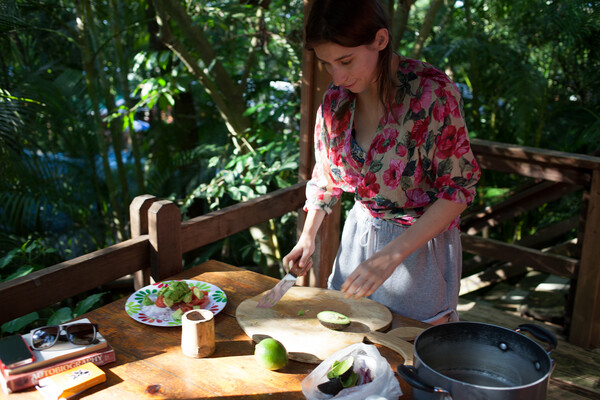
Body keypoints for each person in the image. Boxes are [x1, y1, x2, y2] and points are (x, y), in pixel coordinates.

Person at [283, 0, 481, 324]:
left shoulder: (431, 94)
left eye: (345, 61)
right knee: (348, 350)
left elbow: (458, 190)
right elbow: (325, 178)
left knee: (409, 355)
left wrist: (391, 255)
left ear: (380, 40)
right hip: (357, 240)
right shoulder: (336, 101)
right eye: (327, 63)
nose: (337, 76)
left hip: (419, 251)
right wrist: (307, 238)